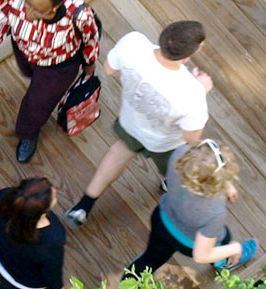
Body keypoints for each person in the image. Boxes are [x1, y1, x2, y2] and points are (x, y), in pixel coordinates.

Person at [65, 20, 211, 227]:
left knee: (117, 155)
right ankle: (170, 185)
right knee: (175, 171)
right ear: (187, 57)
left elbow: (109, 70)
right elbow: (191, 138)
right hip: (166, 143)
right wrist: (201, 90)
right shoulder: (191, 92)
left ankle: (83, 207)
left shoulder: (133, 43)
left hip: (130, 122)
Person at [0, 0, 103, 163]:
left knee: (36, 103)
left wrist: (89, 65)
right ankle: (37, 85)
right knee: (30, 76)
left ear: (55, 7)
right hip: (24, 52)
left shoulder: (78, 15)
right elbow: (2, 16)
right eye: (28, 4)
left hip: (58, 67)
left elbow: (90, 39)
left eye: (37, 10)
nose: (27, 12)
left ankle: (28, 133)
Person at [125, 140, 257, 278]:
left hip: (162, 220)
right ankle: (224, 262)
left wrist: (226, 183)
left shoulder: (179, 154)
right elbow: (201, 256)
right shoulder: (215, 212)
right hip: (188, 243)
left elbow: (197, 168)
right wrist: (236, 249)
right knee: (224, 238)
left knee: (150, 259)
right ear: (217, 182)